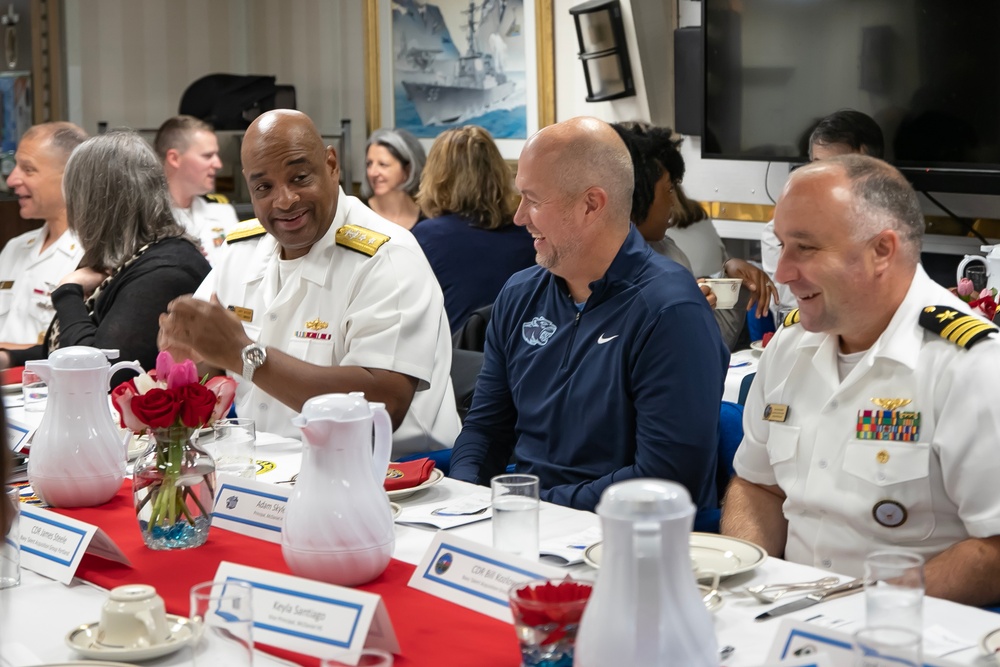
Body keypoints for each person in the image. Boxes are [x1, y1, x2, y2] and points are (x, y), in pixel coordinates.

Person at [721, 155, 1000, 606]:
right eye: (781, 245)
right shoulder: (789, 347)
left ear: (881, 251)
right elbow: (758, 486)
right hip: (782, 616)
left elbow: (995, 550)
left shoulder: (971, 365)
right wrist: (748, 579)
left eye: (805, 248)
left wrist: (858, 607)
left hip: (905, 629)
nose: (783, 272)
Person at [449, 117, 728, 512]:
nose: (518, 217)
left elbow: (666, 479)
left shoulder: (670, 310)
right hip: (530, 524)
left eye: (533, 200)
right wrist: (465, 500)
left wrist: (535, 504)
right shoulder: (519, 294)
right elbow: (486, 429)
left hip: (628, 542)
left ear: (591, 204)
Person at [157, 110, 460, 456]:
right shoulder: (241, 251)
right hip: (272, 465)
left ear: (331, 165)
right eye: (264, 187)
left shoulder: (387, 256)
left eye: (299, 177)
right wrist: (189, 354)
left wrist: (244, 355)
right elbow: (193, 352)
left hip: (391, 475)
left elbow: (383, 404)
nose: (284, 200)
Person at [0, 131, 211, 385]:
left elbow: (101, 369)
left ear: (92, 205)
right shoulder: (133, 256)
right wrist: (10, 358)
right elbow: (75, 343)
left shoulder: (165, 271)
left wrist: (68, 292)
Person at [613, 122, 778, 350]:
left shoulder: (668, 251)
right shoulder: (595, 273)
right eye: (669, 189)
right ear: (637, 193)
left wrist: (729, 282)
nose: (673, 201)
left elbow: (713, 346)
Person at [760, 109, 885, 321]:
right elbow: (795, 312)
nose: (823, 177)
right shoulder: (782, 233)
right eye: (817, 166)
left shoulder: (894, 228)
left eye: (837, 167)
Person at [412, 125, 535, 332]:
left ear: (436, 177)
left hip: (457, 359)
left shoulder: (427, 236)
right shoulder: (529, 234)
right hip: (522, 357)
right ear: (497, 172)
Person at [0, 122, 87, 346]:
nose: (11, 180)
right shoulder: (15, 248)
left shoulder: (91, 255)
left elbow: (78, 347)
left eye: (28, 169)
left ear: (70, 176)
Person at [154, 115, 240, 264]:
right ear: (174, 158)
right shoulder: (146, 220)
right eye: (208, 156)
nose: (218, 164)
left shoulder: (223, 214)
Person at [362, 128, 426, 229]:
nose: (372, 172)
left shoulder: (428, 221)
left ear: (407, 170)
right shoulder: (357, 214)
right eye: (369, 164)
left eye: (383, 164)